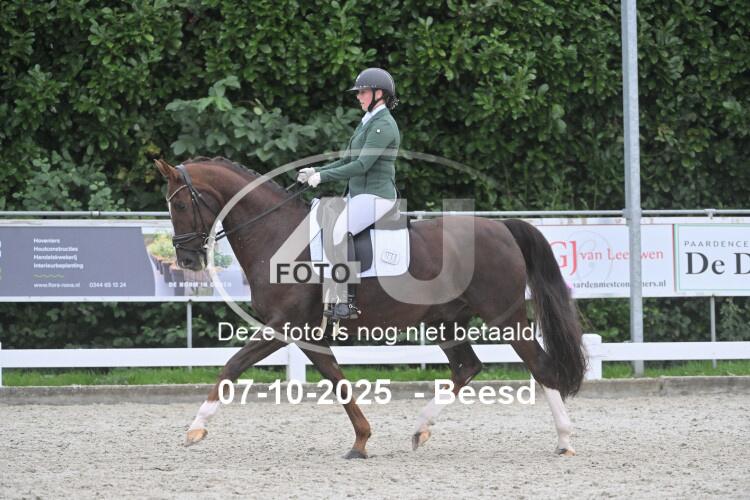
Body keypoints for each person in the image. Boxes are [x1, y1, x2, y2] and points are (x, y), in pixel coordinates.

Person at [297, 67, 400, 320]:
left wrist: (323, 178)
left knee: (339, 230)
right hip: (360, 195)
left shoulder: (384, 125)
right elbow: (347, 161)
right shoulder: (368, 122)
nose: (358, 96)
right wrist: (316, 170)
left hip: (377, 197)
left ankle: (347, 301)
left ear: (379, 94)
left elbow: (362, 165)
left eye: (363, 92)